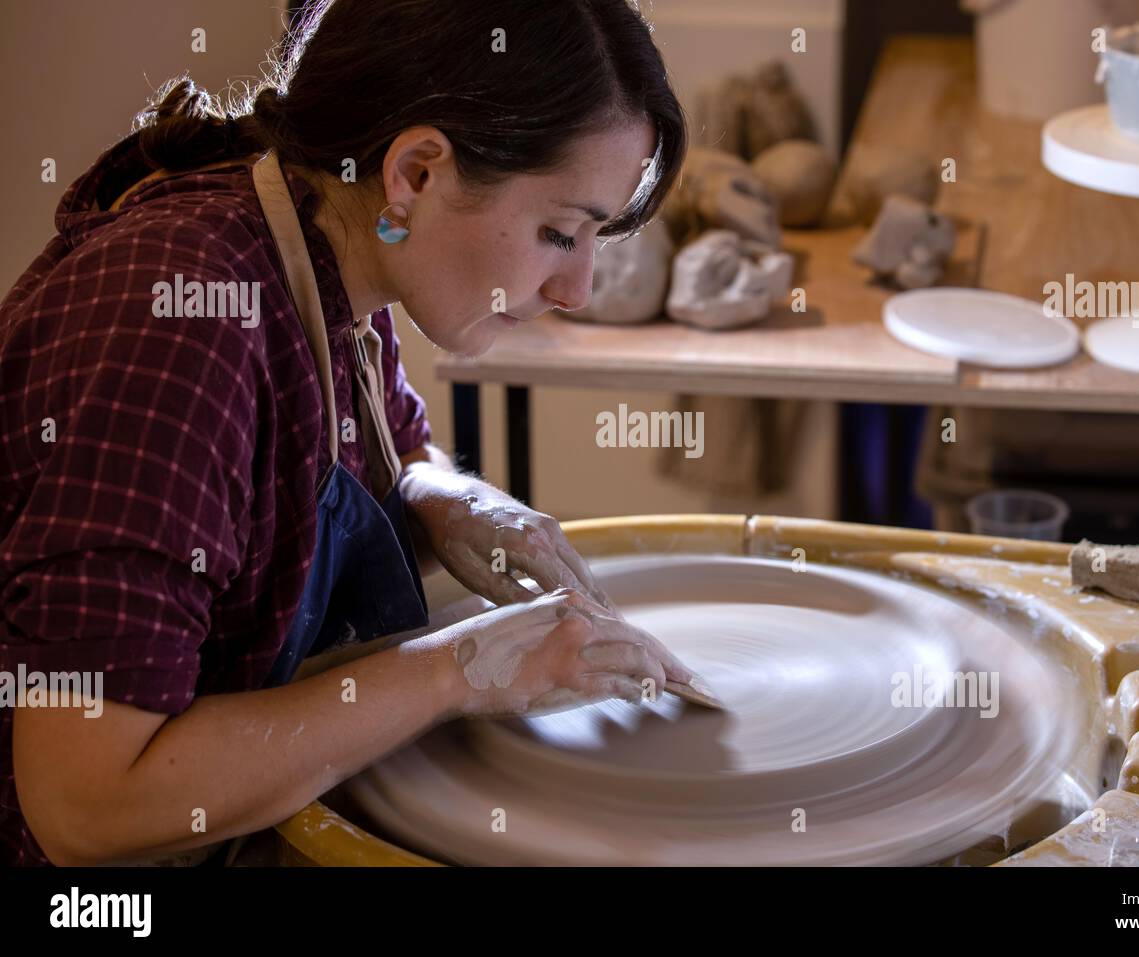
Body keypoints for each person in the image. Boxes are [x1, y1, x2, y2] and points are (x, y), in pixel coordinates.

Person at [0, 0, 694, 865]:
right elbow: (86, 802)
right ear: (416, 172)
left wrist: (452, 499)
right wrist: (458, 668)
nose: (576, 288)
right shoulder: (183, 323)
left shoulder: (331, 251)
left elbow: (397, 452)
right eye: (560, 231)